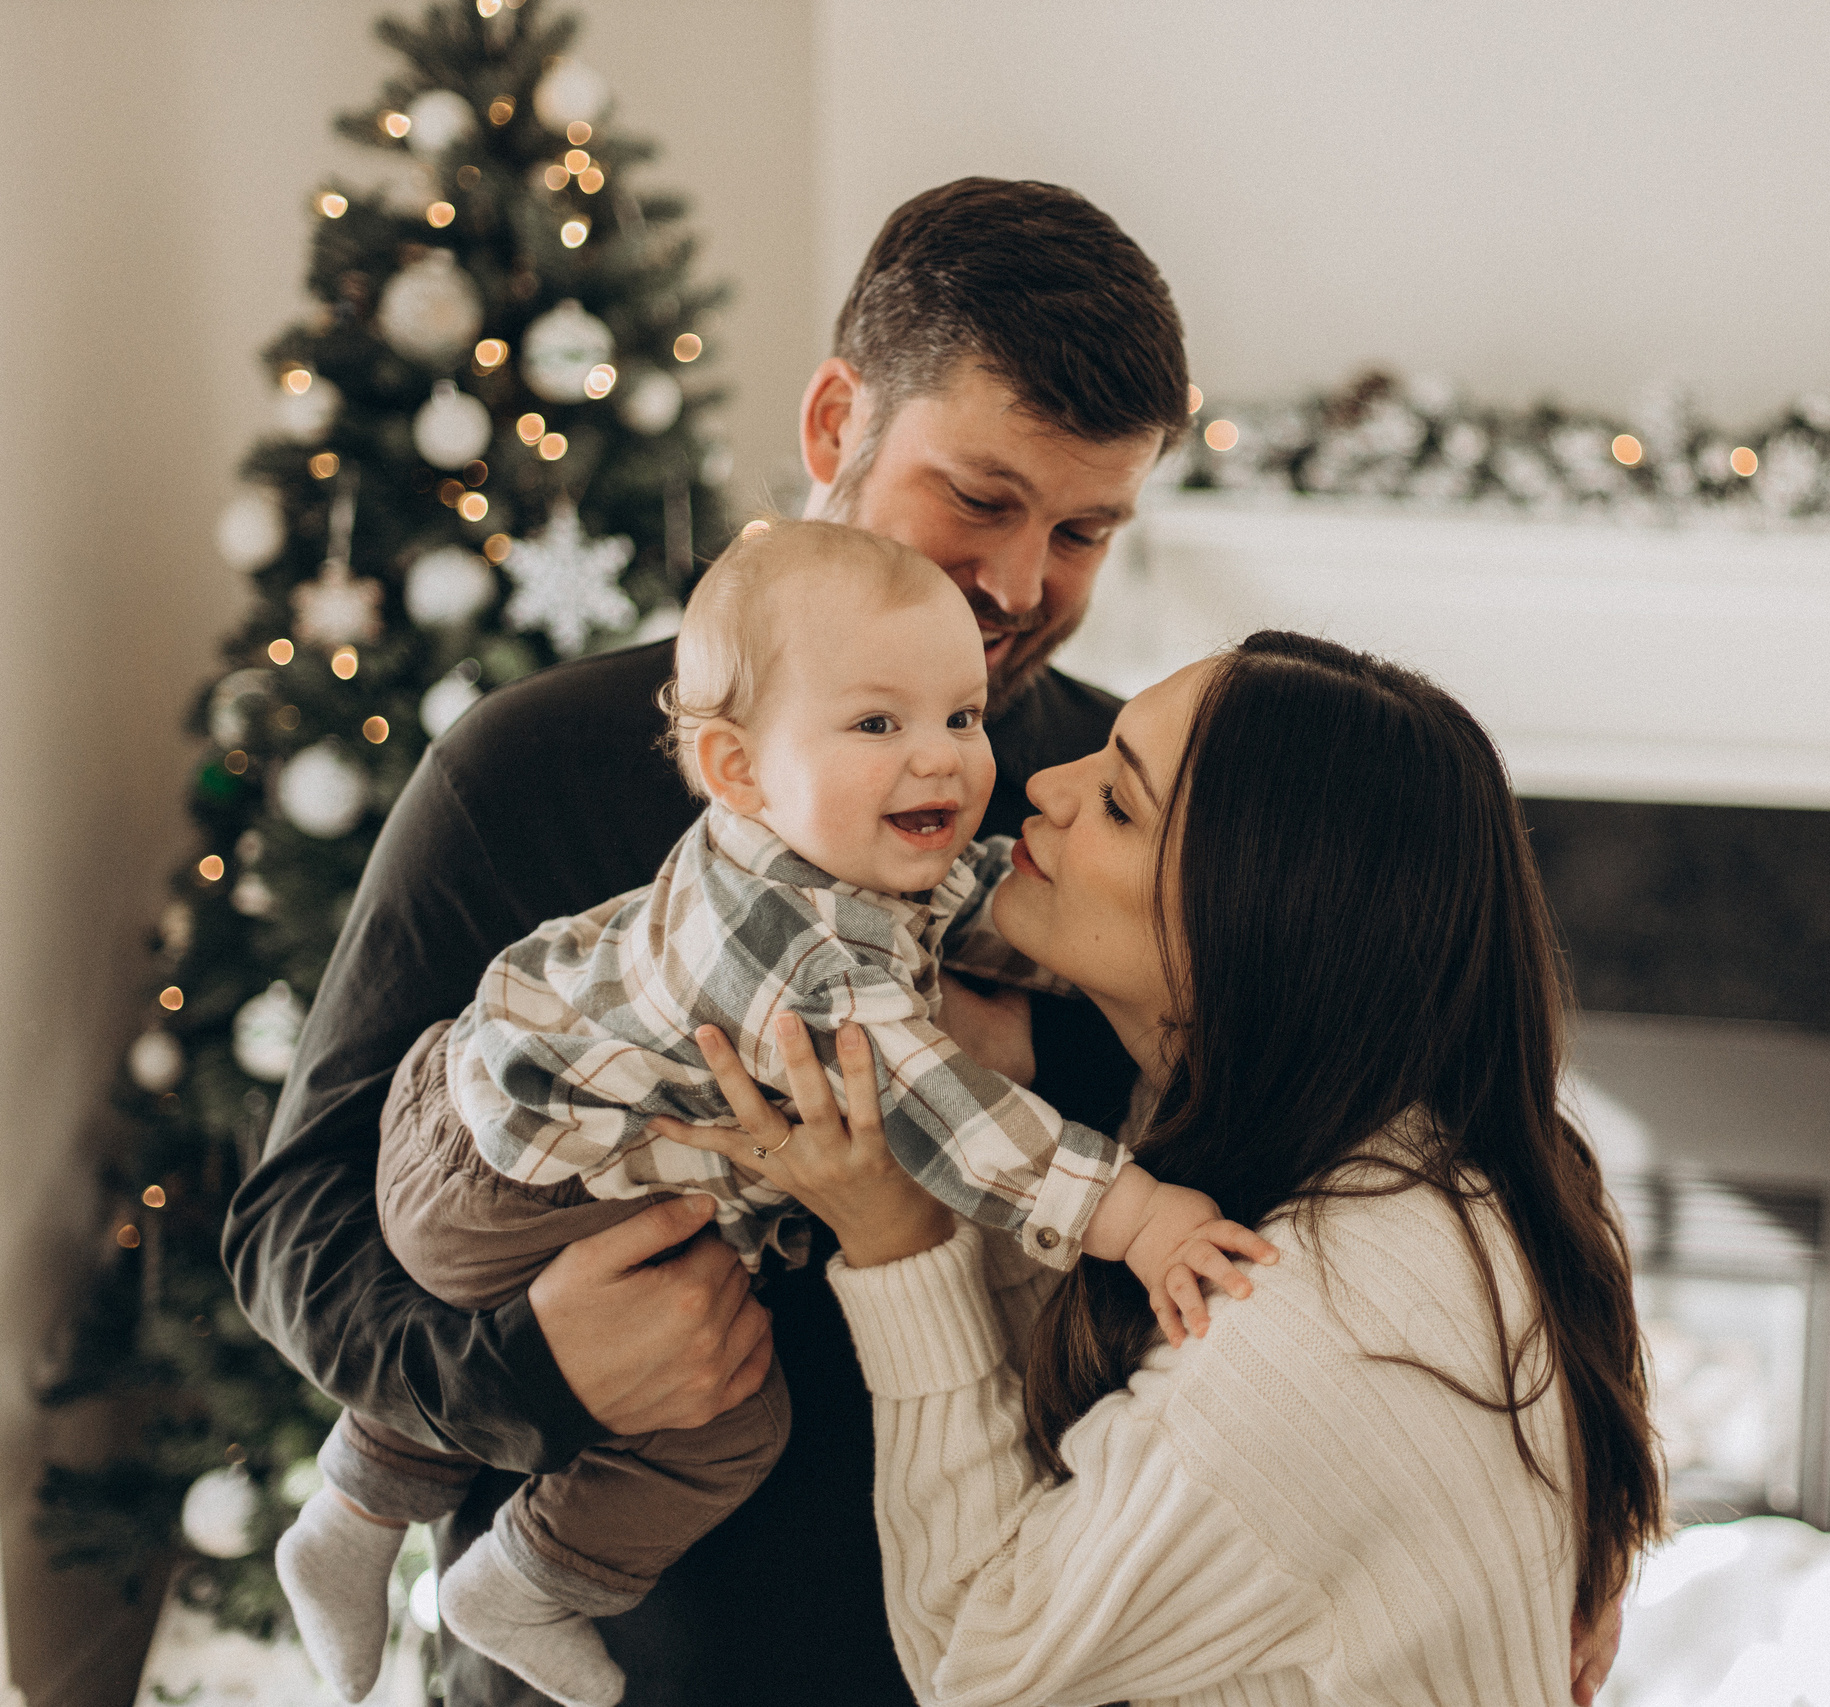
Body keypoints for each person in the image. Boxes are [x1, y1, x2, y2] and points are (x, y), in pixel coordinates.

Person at [225, 177, 1191, 1706]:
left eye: (1084, 530)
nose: (1018, 585)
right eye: (982, 498)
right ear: (833, 427)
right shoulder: (530, 767)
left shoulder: (1105, 811)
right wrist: (533, 1375)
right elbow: (291, 1229)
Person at [271, 521, 1263, 1707]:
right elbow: (958, 1123)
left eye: (963, 717)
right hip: (508, 1182)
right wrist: (1139, 1217)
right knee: (728, 1430)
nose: (945, 760)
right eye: (882, 724)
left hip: (496, 1122)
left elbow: (978, 907)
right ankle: (525, 1583)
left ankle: (352, 1509)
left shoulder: (825, 828)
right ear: (736, 767)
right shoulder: (800, 947)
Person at [661, 632, 1667, 1706]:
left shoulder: (1322, 1324)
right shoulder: (1381, 1154)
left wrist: (902, 1236)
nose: (1042, 785)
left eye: (1120, 806)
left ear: (1250, 931)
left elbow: (979, 1656)